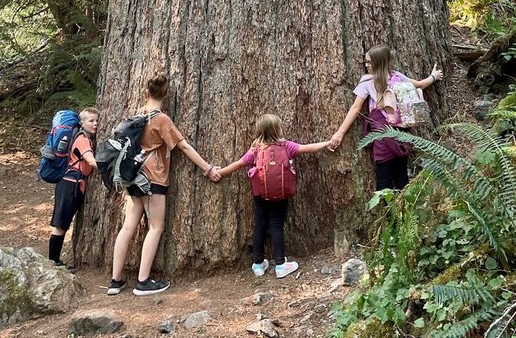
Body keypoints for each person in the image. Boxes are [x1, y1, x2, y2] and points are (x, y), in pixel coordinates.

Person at [108, 73, 221, 297]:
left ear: (146, 92)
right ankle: (142, 281)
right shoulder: (161, 120)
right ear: (166, 94)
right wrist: (207, 168)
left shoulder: (135, 115)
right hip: (153, 178)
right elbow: (184, 147)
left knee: (128, 226)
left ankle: (115, 281)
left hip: (132, 176)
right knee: (156, 227)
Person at [217, 114, 330, 279]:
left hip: (261, 195)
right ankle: (280, 264)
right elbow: (307, 148)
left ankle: (257, 264)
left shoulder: (256, 150)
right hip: (280, 194)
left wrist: (219, 172)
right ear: (278, 129)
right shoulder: (286, 147)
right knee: (276, 226)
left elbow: (239, 164)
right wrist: (327, 143)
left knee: (260, 225)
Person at [330, 45, 443, 191]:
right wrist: (433, 77)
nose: (366, 66)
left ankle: (390, 211)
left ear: (378, 63)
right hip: (400, 135)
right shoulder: (396, 77)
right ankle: (403, 209)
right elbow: (420, 84)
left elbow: (355, 108)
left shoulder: (369, 82)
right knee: (401, 178)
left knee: (385, 180)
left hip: (383, 137)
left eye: (369, 62)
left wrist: (340, 132)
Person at [48, 106, 99, 267]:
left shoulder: (85, 138)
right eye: (91, 121)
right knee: (61, 225)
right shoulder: (82, 140)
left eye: (97, 120)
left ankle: (55, 260)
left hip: (75, 185)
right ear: (82, 123)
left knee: (63, 223)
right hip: (69, 186)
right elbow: (90, 161)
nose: (95, 124)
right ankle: (53, 262)